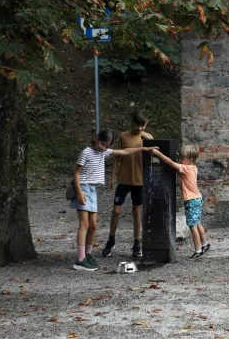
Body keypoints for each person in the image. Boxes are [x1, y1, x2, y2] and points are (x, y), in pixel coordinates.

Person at [71, 130, 154, 271]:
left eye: (107, 146)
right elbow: (77, 173)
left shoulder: (103, 152)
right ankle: (79, 259)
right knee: (84, 224)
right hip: (83, 188)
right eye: (102, 144)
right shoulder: (86, 152)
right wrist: (79, 193)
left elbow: (124, 152)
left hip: (92, 190)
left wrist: (143, 149)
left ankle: (88, 254)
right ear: (97, 139)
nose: (104, 148)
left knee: (93, 225)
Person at [103, 113, 154, 259]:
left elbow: (153, 157)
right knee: (116, 210)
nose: (139, 128)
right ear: (133, 123)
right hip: (124, 179)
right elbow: (117, 156)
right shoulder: (124, 136)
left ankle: (137, 244)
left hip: (139, 180)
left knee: (136, 211)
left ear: (146, 125)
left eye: (142, 125)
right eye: (137, 125)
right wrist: (112, 176)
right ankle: (111, 240)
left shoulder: (148, 138)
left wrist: (149, 143)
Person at [149, 145, 210, 259]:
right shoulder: (192, 167)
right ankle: (205, 243)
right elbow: (179, 171)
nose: (180, 160)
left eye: (182, 158)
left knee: (192, 225)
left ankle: (198, 250)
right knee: (197, 223)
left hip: (191, 200)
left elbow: (171, 163)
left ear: (190, 159)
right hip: (197, 198)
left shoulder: (185, 168)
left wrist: (158, 154)